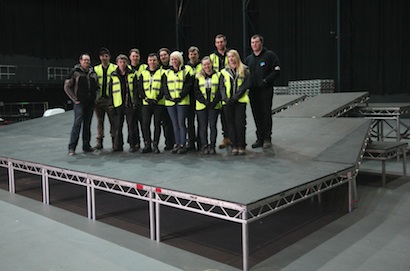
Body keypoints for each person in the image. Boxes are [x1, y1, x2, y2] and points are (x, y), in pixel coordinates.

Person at [245, 34, 281, 149]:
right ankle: (259, 138)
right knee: (256, 114)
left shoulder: (270, 55)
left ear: (261, 43)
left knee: (266, 113)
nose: (254, 45)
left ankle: (267, 138)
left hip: (265, 90)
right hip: (253, 91)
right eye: (252, 43)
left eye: (256, 42)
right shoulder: (249, 59)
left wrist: (266, 80)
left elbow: (277, 70)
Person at [64, 53, 98, 156]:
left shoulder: (93, 73)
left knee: (87, 125)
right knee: (77, 124)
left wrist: (95, 98)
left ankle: (86, 146)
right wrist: (75, 99)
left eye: (88, 60)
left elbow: (97, 88)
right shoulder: (75, 72)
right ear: (80, 61)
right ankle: (72, 148)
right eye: (85, 60)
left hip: (90, 103)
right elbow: (67, 87)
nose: (86, 62)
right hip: (80, 103)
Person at [219, 49, 250, 155]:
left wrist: (235, 98)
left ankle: (241, 145)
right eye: (229, 57)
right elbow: (221, 87)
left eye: (232, 56)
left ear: (237, 57)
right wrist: (225, 98)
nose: (231, 59)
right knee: (230, 124)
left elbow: (244, 86)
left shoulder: (244, 70)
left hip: (239, 101)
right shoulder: (223, 72)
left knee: (240, 124)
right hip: (227, 103)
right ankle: (234, 145)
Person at [162, 51, 194, 154]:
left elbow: (188, 85)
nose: (174, 61)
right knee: (174, 124)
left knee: (181, 124)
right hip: (170, 102)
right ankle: (177, 144)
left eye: (176, 59)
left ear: (180, 60)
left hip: (182, 101)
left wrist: (180, 96)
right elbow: (165, 87)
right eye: (172, 59)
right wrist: (169, 97)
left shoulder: (186, 71)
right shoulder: (167, 72)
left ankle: (183, 144)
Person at [108, 54, 139, 152]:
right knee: (118, 127)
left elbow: (136, 89)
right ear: (117, 63)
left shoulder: (132, 73)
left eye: (124, 62)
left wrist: (135, 102)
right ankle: (118, 146)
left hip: (129, 104)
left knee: (131, 126)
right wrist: (111, 104)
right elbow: (110, 91)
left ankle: (132, 145)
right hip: (118, 104)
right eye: (120, 62)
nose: (122, 64)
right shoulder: (113, 75)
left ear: (127, 63)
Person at [194, 56, 221, 154]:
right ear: (202, 66)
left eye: (208, 64)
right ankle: (204, 145)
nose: (206, 66)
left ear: (212, 64)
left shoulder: (218, 75)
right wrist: (204, 102)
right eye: (204, 65)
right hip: (202, 106)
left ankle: (212, 146)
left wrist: (214, 102)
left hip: (214, 105)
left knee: (213, 126)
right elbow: (196, 91)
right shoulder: (197, 76)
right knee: (202, 126)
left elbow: (219, 90)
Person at [139, 53, 165, 154]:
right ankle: (147, 144)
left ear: (157, 61)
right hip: (146, 103)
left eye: (154, 60)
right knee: (145, 125)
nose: (152, 62)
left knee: (157, 124)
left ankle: (155, 145)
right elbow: (140, 88)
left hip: (158, 103)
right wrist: (145, 97)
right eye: (150, 60)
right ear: (147, 62)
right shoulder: (143, 73)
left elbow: (163, 87)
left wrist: (156, 99)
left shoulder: (162, 73)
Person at [93, 47, 117, 150]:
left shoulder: (115, 68)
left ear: (109, 57)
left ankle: (114, 142)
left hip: (110, 100)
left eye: (106, 56)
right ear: (100, 57)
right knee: (99, 121)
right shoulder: (95, 69)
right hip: (99, 100)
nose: (104, 58)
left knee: (113, 121)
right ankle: (99, 141)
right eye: (102, 56)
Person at [210, 34, 230, 149]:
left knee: (228, 117)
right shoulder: (212, 57)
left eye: (221, 42)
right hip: (216, 90)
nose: (219, 44)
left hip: (229, 89)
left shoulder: (231, 55)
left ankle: (231, 138)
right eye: (217, 42)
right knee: (221, 117)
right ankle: (225, 138)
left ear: (225, 42)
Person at [129, 48, 148, 150]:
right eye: (133, 56)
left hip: (143, 101)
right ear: (130, 57)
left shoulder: (145, 67)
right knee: (132, 124)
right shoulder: (126, 68)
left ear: (139, 57)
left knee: (144, 124)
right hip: (131, 101)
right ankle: (134, 144)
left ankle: (146, 142)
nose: (135, 58)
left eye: (136, 56)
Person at [158, 47, 175, 151]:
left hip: (174, 101)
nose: (163, 57)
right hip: (162, 102)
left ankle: (179, 141)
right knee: (166, 124)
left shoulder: (175, 67)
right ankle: (169, 143)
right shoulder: (158, 69)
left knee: (177, 123)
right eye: (161, 55)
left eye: (165, 55)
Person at [186, 46, 202, 150]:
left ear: (198, 55)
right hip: (189, 98)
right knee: (190, 122)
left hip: (200, 97)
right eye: (191, 54)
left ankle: (201, 143)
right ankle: (191, 142)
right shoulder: (185, 67)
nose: (193, 56)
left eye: (195, 54)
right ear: (188, 55)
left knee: (201, 122)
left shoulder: (203, 65)